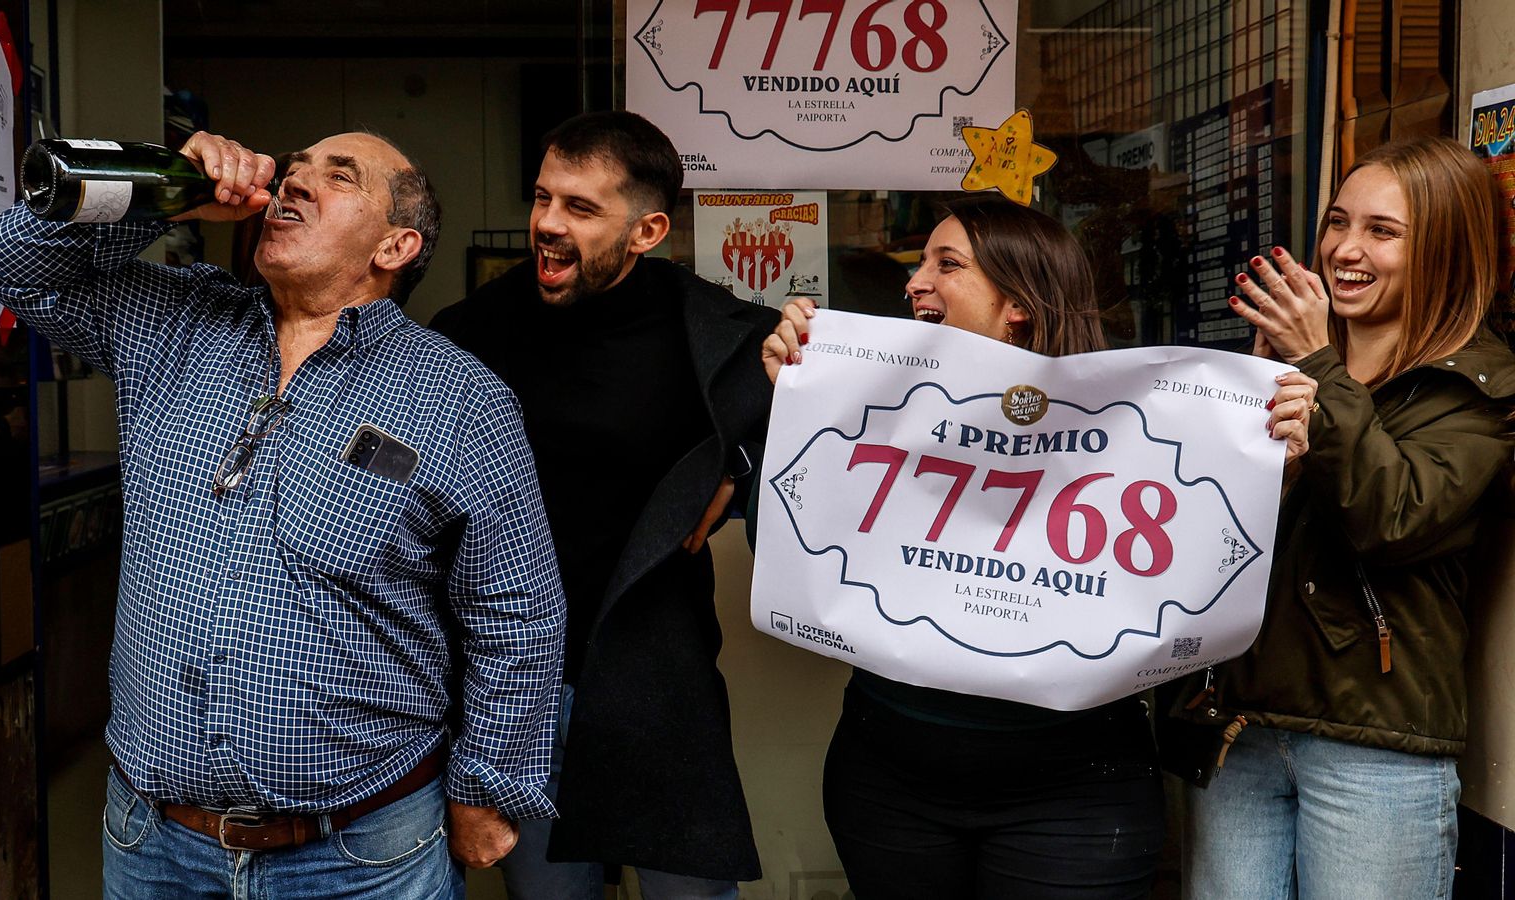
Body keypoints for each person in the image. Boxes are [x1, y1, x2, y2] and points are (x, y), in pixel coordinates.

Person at [0, 130, 565, 899]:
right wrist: (161, 198)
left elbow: (517, 611)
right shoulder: (176, 321)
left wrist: (488, 784)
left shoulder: (461, 400)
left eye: (338, 175)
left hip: (361, 856)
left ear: (395, 246)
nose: (296, 181)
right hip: (155, 843)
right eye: (294, 168)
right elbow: (2, 260)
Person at [761, 193, 1310, 899]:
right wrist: (798, 406)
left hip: (1076, 794)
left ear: (1018, 303)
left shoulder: (1137, 426)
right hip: (889, 777)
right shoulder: (880, 405)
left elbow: (1206, 574)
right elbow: (789, 537)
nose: (914, 281)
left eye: (946, 264)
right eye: (921, 262)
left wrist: (1272, 472)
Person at [429, 111, 779, 898]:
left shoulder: (722, 338)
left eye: (581, 209)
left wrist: (743, 465)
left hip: (660, 679)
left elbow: (809, 448)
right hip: (517, 692)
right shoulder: (467, 334)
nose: (547, 225)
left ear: (647, 229)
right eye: (543, 197)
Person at [1176, 136, 1515, 898]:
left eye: (1382, 232)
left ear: (1444, 250)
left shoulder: (1475, 388)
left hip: (1376, 746)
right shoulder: (1290, 367)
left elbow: (1392, 518)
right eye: (1337, 222)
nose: (1345, 250)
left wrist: (1320, 370)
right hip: (1243, 728)